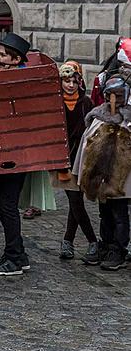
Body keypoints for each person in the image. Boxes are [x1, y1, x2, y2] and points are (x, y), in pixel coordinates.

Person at [0, 32, 32, 276]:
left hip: (15, 154)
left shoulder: (20, 82)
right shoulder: (2, 77)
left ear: (16, 60)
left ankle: (14, 258)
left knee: (7, 204)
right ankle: (19, 253)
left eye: (3, 55)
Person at [75, 76, 131, 270]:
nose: (114, 99)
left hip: (123, 180)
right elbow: (87, 144)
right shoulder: (98, 117)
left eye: (118, 94)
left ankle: (119, 248)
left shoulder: (128, 120)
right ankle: (106, 244)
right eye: (110, 94)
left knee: (119, 213)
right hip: (101, 176)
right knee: (104, 212)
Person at [51, 61, 97, 261]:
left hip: (82, 158)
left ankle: (68, 242)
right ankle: (93, 241)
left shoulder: (86, 103)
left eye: (74, 81)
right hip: (63, 158)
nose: (70, 85)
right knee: (75, 200)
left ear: (80, 81)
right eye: (66, 81)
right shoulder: (55, 102)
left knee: (75, 201)